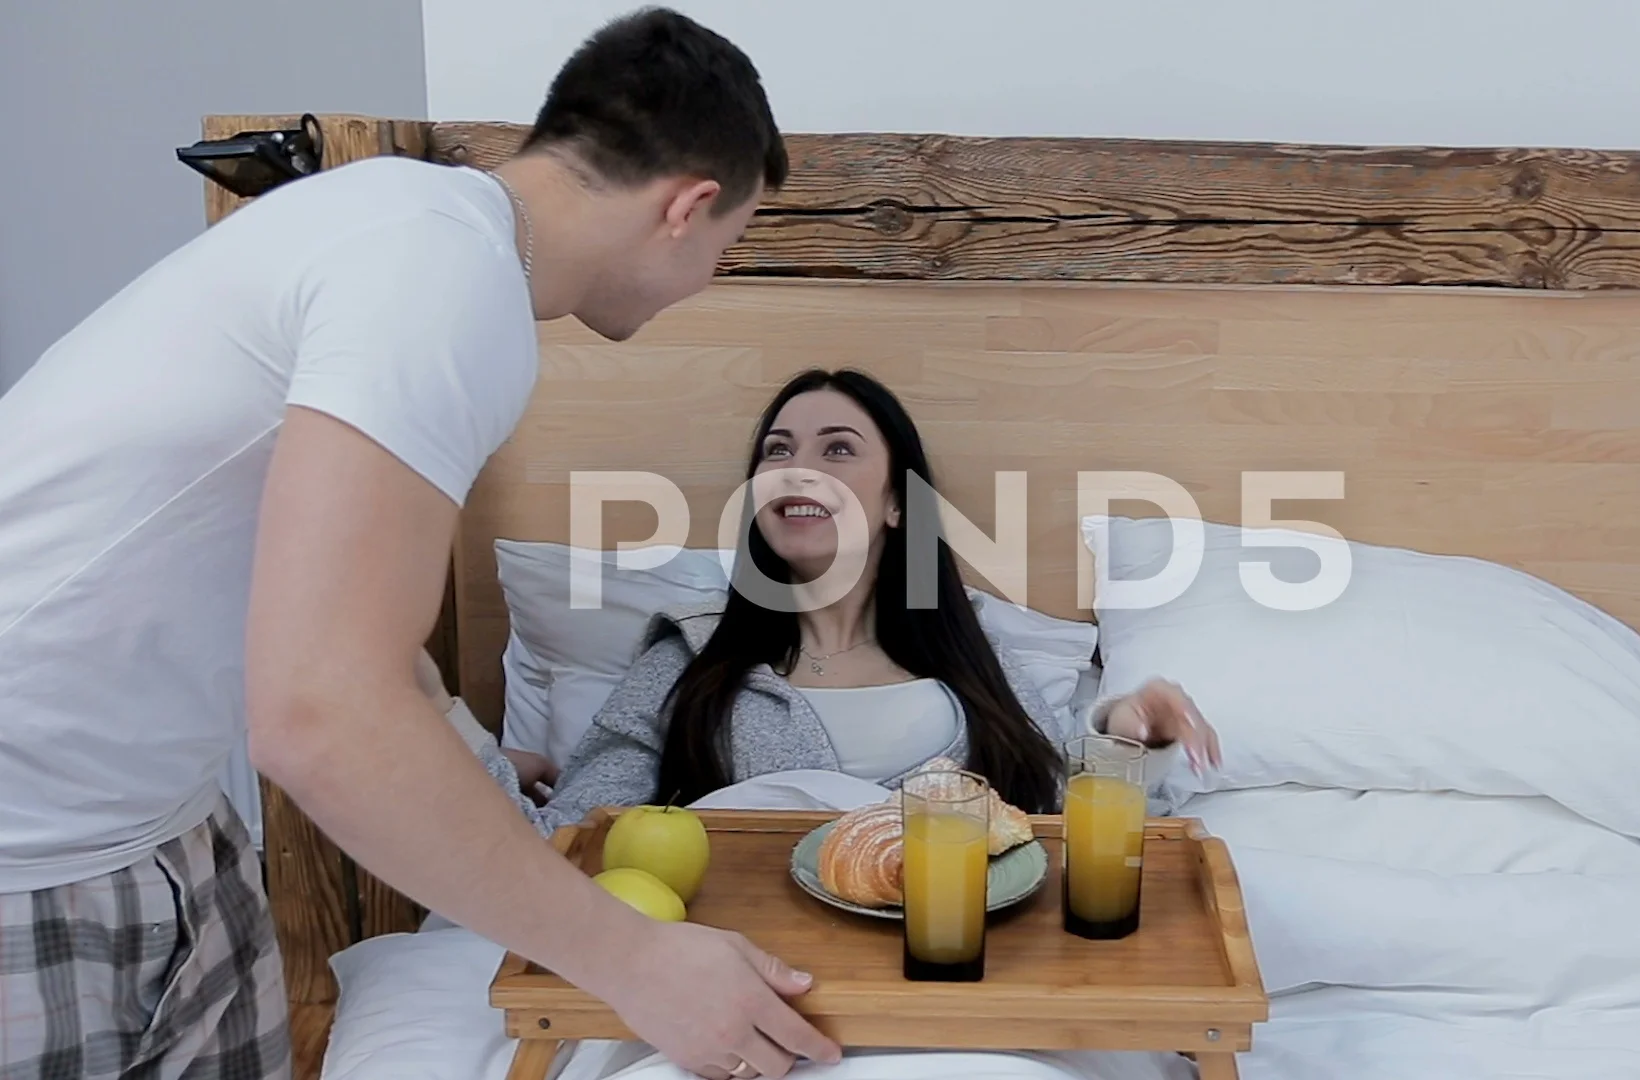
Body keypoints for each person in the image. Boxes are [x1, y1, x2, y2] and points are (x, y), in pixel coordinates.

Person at [0, 9, 841, 1080]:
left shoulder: (395, 225)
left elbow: (358, 638)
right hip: (32, 847)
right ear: (687, 208)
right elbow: (321, 715)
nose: (708, 282)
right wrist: (638, 964)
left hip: (159, 816)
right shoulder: (446, 277)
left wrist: (475, 772)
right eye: (727, 250)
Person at [433, 368, 1222, 844]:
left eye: (837, 449)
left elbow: (1058, 817)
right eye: (777, 452)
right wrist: (442, 720)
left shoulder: (968, 656)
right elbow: (567, 843)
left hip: (949, 982)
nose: (795, 470)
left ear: (897, 506)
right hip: (751, 988)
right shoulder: (690, 657)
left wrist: (1125, 731)